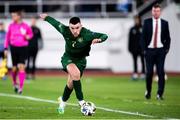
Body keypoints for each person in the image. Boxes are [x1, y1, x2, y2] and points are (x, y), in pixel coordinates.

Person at [39, 13, 108, 114]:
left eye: (77, 28)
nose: (75, 30)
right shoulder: (65, 30)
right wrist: (46, 18)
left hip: (81, 61)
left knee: (70, 84)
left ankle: (62, 101)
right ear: (69, 26)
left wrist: (99, 40)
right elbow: (56, 23)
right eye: (72, 28)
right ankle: (81, 102)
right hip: (68, 58)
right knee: (75, 74)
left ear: (81, 25)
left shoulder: (87, 34)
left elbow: (105, 35)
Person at [141, 4, 171, 100]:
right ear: (152, 11)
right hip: (149, 51)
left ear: (160, 12)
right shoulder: (147, 22)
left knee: (160, 72)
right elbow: (142, 38)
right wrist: (144, 50)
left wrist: (166, 49)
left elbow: (168, 38)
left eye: (158, 11)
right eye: (154, 11)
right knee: (149, 72)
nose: (156, 12)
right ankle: (148, 91)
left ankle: (159, 94)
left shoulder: (165, 23)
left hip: (160, 51)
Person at [4, 10, 33, 94]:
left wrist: (27, 37)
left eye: (14, 16)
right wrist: (6, 48)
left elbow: (30, 35)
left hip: (23, 48)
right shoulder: (11, 25)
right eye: (12, 16)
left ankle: (21, 87)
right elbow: (7, 37)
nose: (13, 17)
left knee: (21, 66)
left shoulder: (25, 26)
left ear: (19, 16)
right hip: (13, 48)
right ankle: (14, 83)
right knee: (14, 68)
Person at [128, 15, 145, 80]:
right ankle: (135, 73)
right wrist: (129, 48)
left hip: (142, 49)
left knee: (142, 61)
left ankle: (143, 73)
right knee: (135, 61)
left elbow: (146, 39)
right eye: (135, 19)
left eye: (137, 19)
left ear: (140, 20)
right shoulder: (132, 29)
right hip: (134, 49)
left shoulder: (143, 28)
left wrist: (145, 48)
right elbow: (130, 40)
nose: (136, 21)